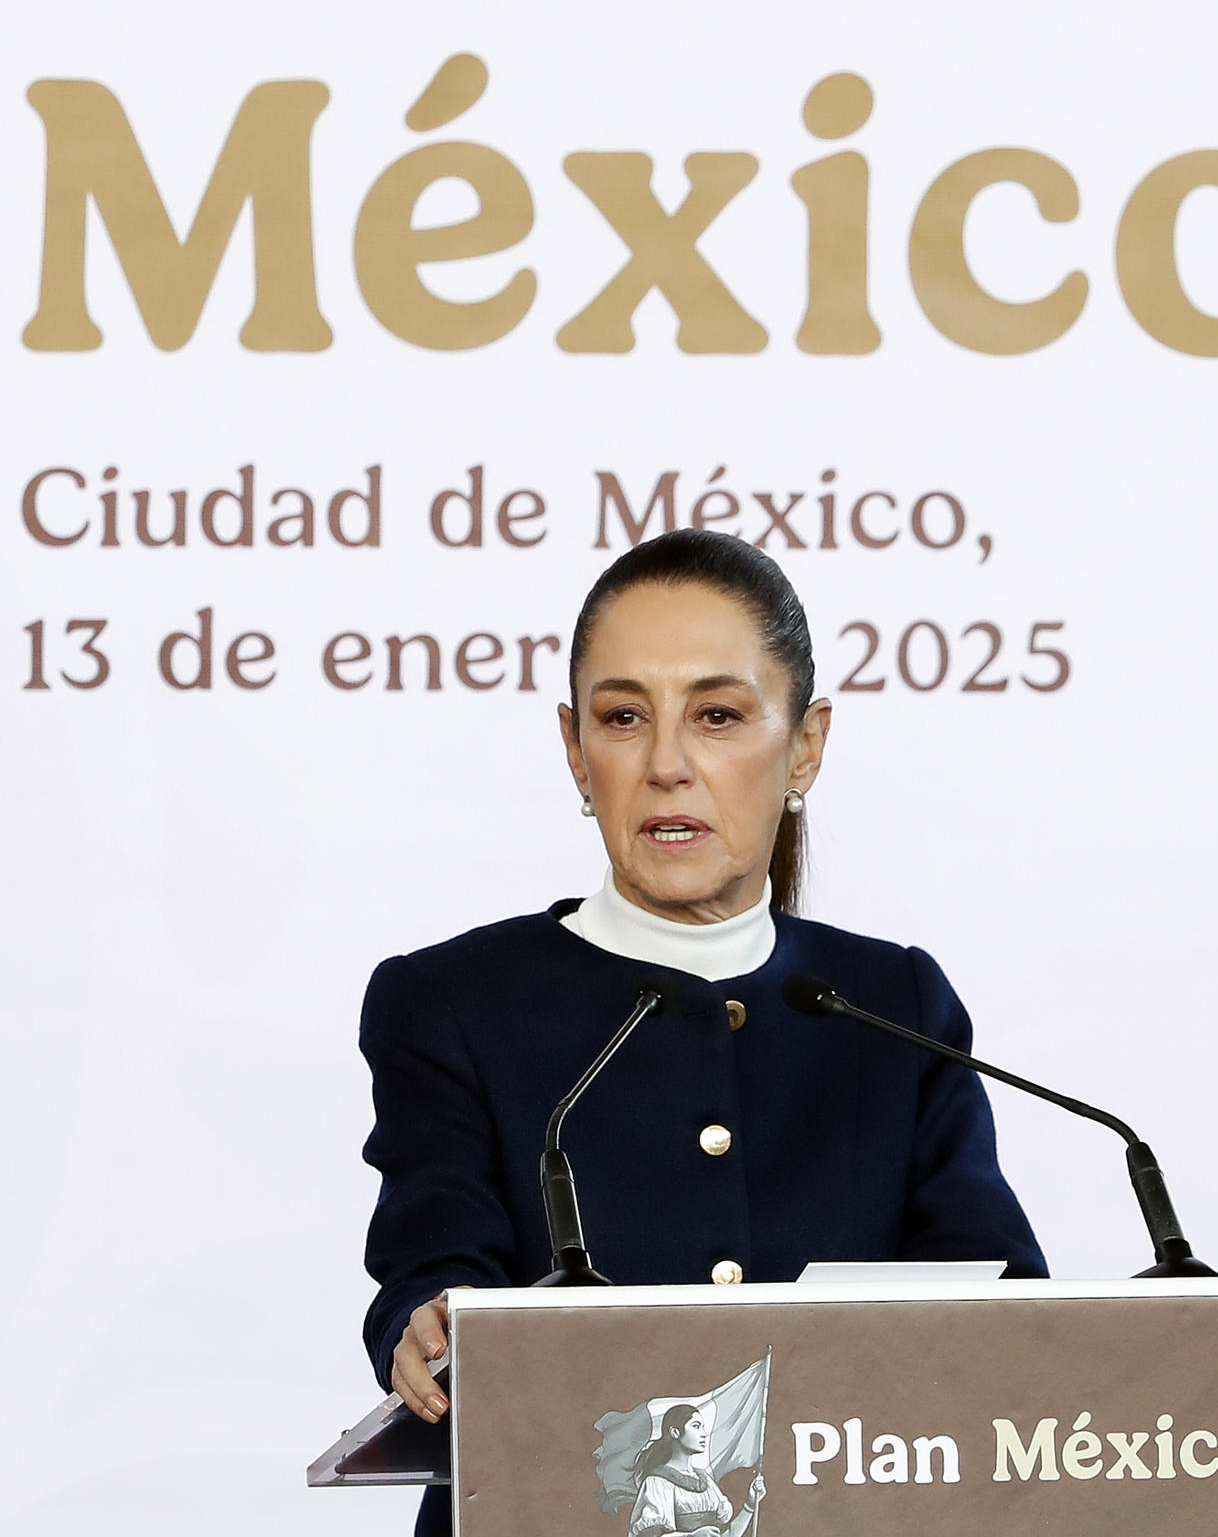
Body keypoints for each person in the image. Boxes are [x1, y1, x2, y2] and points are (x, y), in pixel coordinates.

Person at [359, 530, 1045, 1535]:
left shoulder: (891, 1004)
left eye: (718, 716)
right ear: (574, 751)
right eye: (624, 717)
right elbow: (433, 1262)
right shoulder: (456, 1002)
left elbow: (1006, 1312)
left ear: (805, 745)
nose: (668, 764)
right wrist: (430, 1322)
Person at [628, 1405, 764, 1537]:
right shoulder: (658, 1482)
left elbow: (726, 1535)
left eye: (702, 1427)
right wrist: (691, 1536)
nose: (704, 1434)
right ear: (675, 1432)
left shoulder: (705, 1480)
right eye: (696, 1426)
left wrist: (750, 1505)